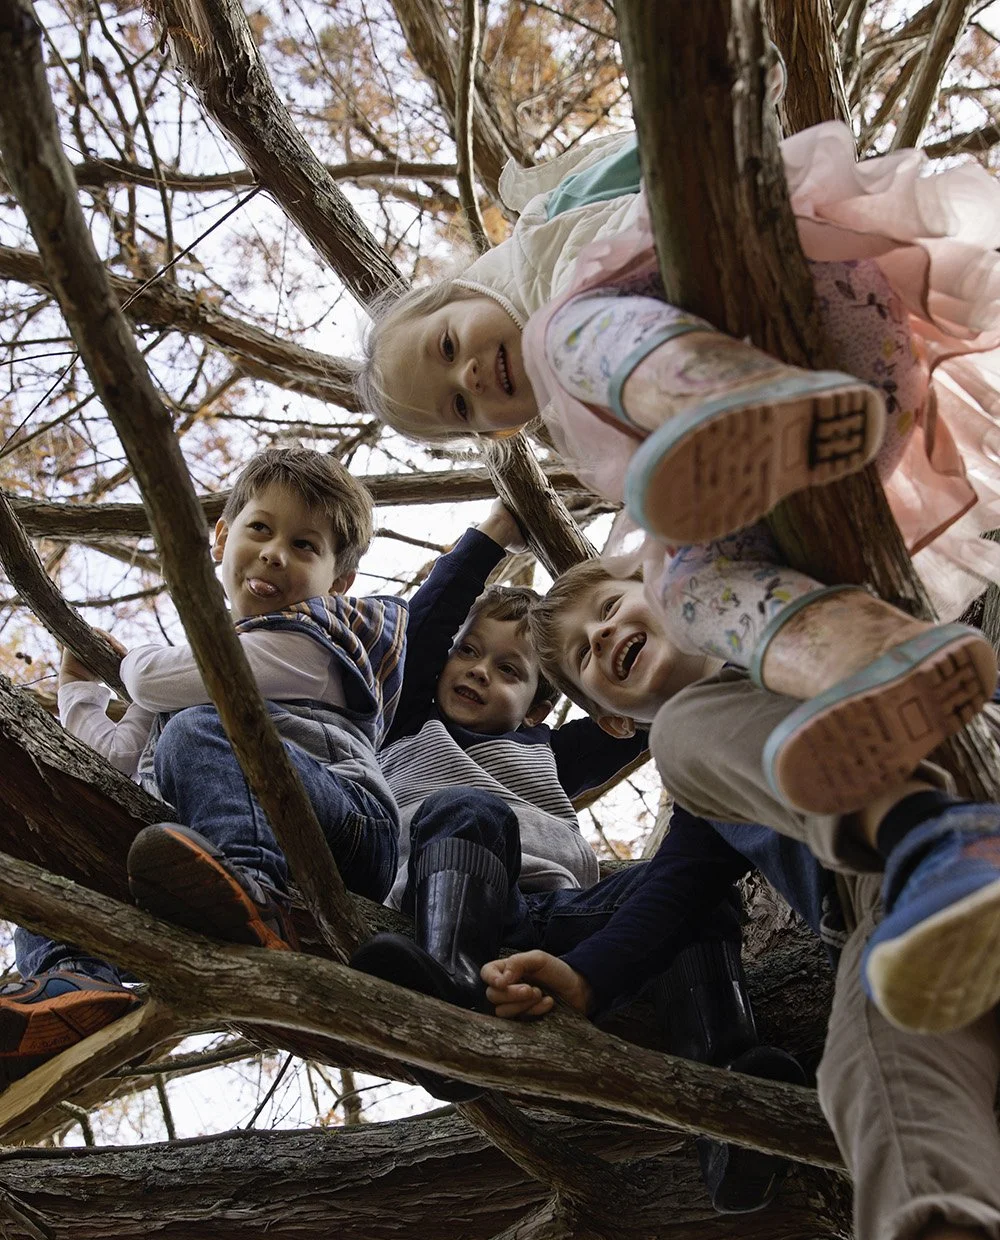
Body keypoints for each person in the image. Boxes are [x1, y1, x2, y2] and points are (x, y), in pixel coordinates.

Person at [504, 555, 1000, 1240]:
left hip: (971, 772)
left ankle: (937, 831)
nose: (606, 637)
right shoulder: (701, 790)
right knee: (864, 1058)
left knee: (691, 730)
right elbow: (668, 900)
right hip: (902, 920)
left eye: (614, 607)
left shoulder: (787, 629)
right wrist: (581, 976)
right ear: (611, 720)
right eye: (585, 656)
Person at [353, 123, 1000, 816]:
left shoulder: (551, 245)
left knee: (562, 337)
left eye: (449, 344)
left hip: (818, 301)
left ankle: (741, 406)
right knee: (687, 586)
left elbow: (684, 135)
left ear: (463, 288)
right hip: (856, 429)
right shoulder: (583, 423)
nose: (472, 373)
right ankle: (872, 662)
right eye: (459, 405)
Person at [350, 500, 802, 1215]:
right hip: (461, 905)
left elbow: (648, 699)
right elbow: (425, 625)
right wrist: (496, 533)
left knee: (682, 889)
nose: (476, 671)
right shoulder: (408, 721)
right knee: (469, 808)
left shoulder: (551, 754)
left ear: (537, 706)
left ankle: (728, 1081)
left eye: (507, 669)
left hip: (568, 923)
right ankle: (449, 997)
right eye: (466, 653)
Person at [0, 447, 406, 1089]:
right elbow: (103, 768)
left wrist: (134, 666)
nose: (276, 552)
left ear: (339, 580)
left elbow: (160, 683)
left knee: (203, 728)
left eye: (305, 545)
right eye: (261, 529)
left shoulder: (318, 640)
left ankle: (251, 894)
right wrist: (80, 691)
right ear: (222, 537)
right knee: (65, 845)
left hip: (347, 831)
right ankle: (70, 982)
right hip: (207, 857)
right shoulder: (184, 681)